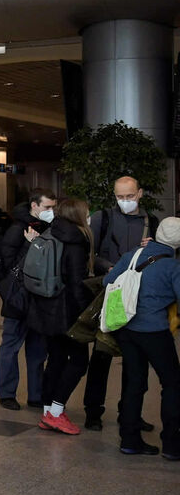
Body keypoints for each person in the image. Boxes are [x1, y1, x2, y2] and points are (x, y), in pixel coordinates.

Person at [85, 175, 160, 431]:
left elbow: (160, 260)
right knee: (102, 355)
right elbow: (90, 254)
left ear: (140, 193)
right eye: (120, 197)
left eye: (129, 196)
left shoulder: (152, 222)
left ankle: (129, 414)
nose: (125, 201)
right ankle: (93, 411)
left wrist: (154, 250)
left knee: (136, 361)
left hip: (138, 298)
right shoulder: (102, 218)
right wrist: (112, 266)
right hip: (109, 296)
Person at [104, 216, 180, 458]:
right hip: (155, 331)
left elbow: (108, 281)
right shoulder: (172, 266)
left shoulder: (132, 255)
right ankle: (171, 444)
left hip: (126, 329)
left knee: (134, 383)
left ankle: (130, 440)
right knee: (172, 384)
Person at [26, 198, 92, 435]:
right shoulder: (76, 240)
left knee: (55, 359)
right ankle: (56, 412)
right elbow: (76, 283)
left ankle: (47, 411)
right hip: (67, 311)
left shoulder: (52, 232)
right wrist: (86, 313)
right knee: (78, 361)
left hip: (47, 307)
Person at [0, 190, 54, 411]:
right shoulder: (17, 229)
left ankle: (36, 395)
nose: (51, 212)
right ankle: (7, 393)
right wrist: (31, 244)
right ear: (34, 206)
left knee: (38, 349)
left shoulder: (47, 228)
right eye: (47, 208)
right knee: (10, 346)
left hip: (39, 299)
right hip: (18, 298)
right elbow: (9, 265)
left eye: (52, 208)